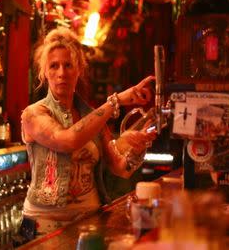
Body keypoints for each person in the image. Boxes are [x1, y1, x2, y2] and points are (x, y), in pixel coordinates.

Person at [20, 27, 157, 237]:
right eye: (54, 66)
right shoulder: (34, 114)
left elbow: (121, 168)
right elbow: (68, 140)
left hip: (90, 223)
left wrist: (137, 149)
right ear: (44, 72)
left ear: (79, 69)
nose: (61, 73)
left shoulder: (93, 117)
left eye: (68, 65)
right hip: (44, 227)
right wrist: (116, 100)